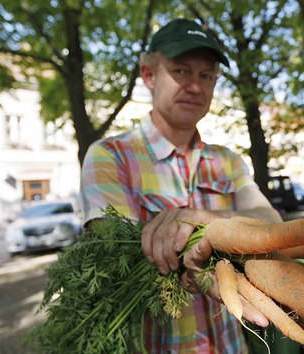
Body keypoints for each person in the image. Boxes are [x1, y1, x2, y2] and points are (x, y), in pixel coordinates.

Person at [79, 18, 282, 353]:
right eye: (181, 71)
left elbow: (272, 224)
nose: (195, 87)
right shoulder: (110, 157)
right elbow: (117, 257)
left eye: (206, 75)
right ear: (149, 74)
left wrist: (205, 219)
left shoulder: (227, 160)